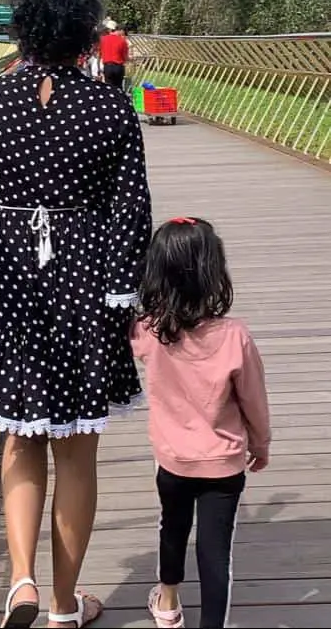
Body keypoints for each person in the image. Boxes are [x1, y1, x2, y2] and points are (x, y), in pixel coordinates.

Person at [0, 0, 152, 629]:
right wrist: (122, 288)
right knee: (76, 450)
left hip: (7, 275)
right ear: (88, 32)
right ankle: (64, 603)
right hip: (81, 281)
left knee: (18, 438)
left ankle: (22, 581)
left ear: (23, 29)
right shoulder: (110, 108)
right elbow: (130, 213)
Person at [132, 218, 271, 629]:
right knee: (215, 553)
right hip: (224, 465)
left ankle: (168, 603)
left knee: (172, 529)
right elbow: (254, 401)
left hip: (172, 461)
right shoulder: (235, 337)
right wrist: (260, 443)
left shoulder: (147, 331)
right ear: (214, 272)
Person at [99, 20, 129, 91]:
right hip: (118, 67)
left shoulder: (103, 39)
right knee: (118, 87)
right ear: (119, 30)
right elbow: (125, 57)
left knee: (109, 87)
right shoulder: (122, 41)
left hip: (107, 66)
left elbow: (99, 54)